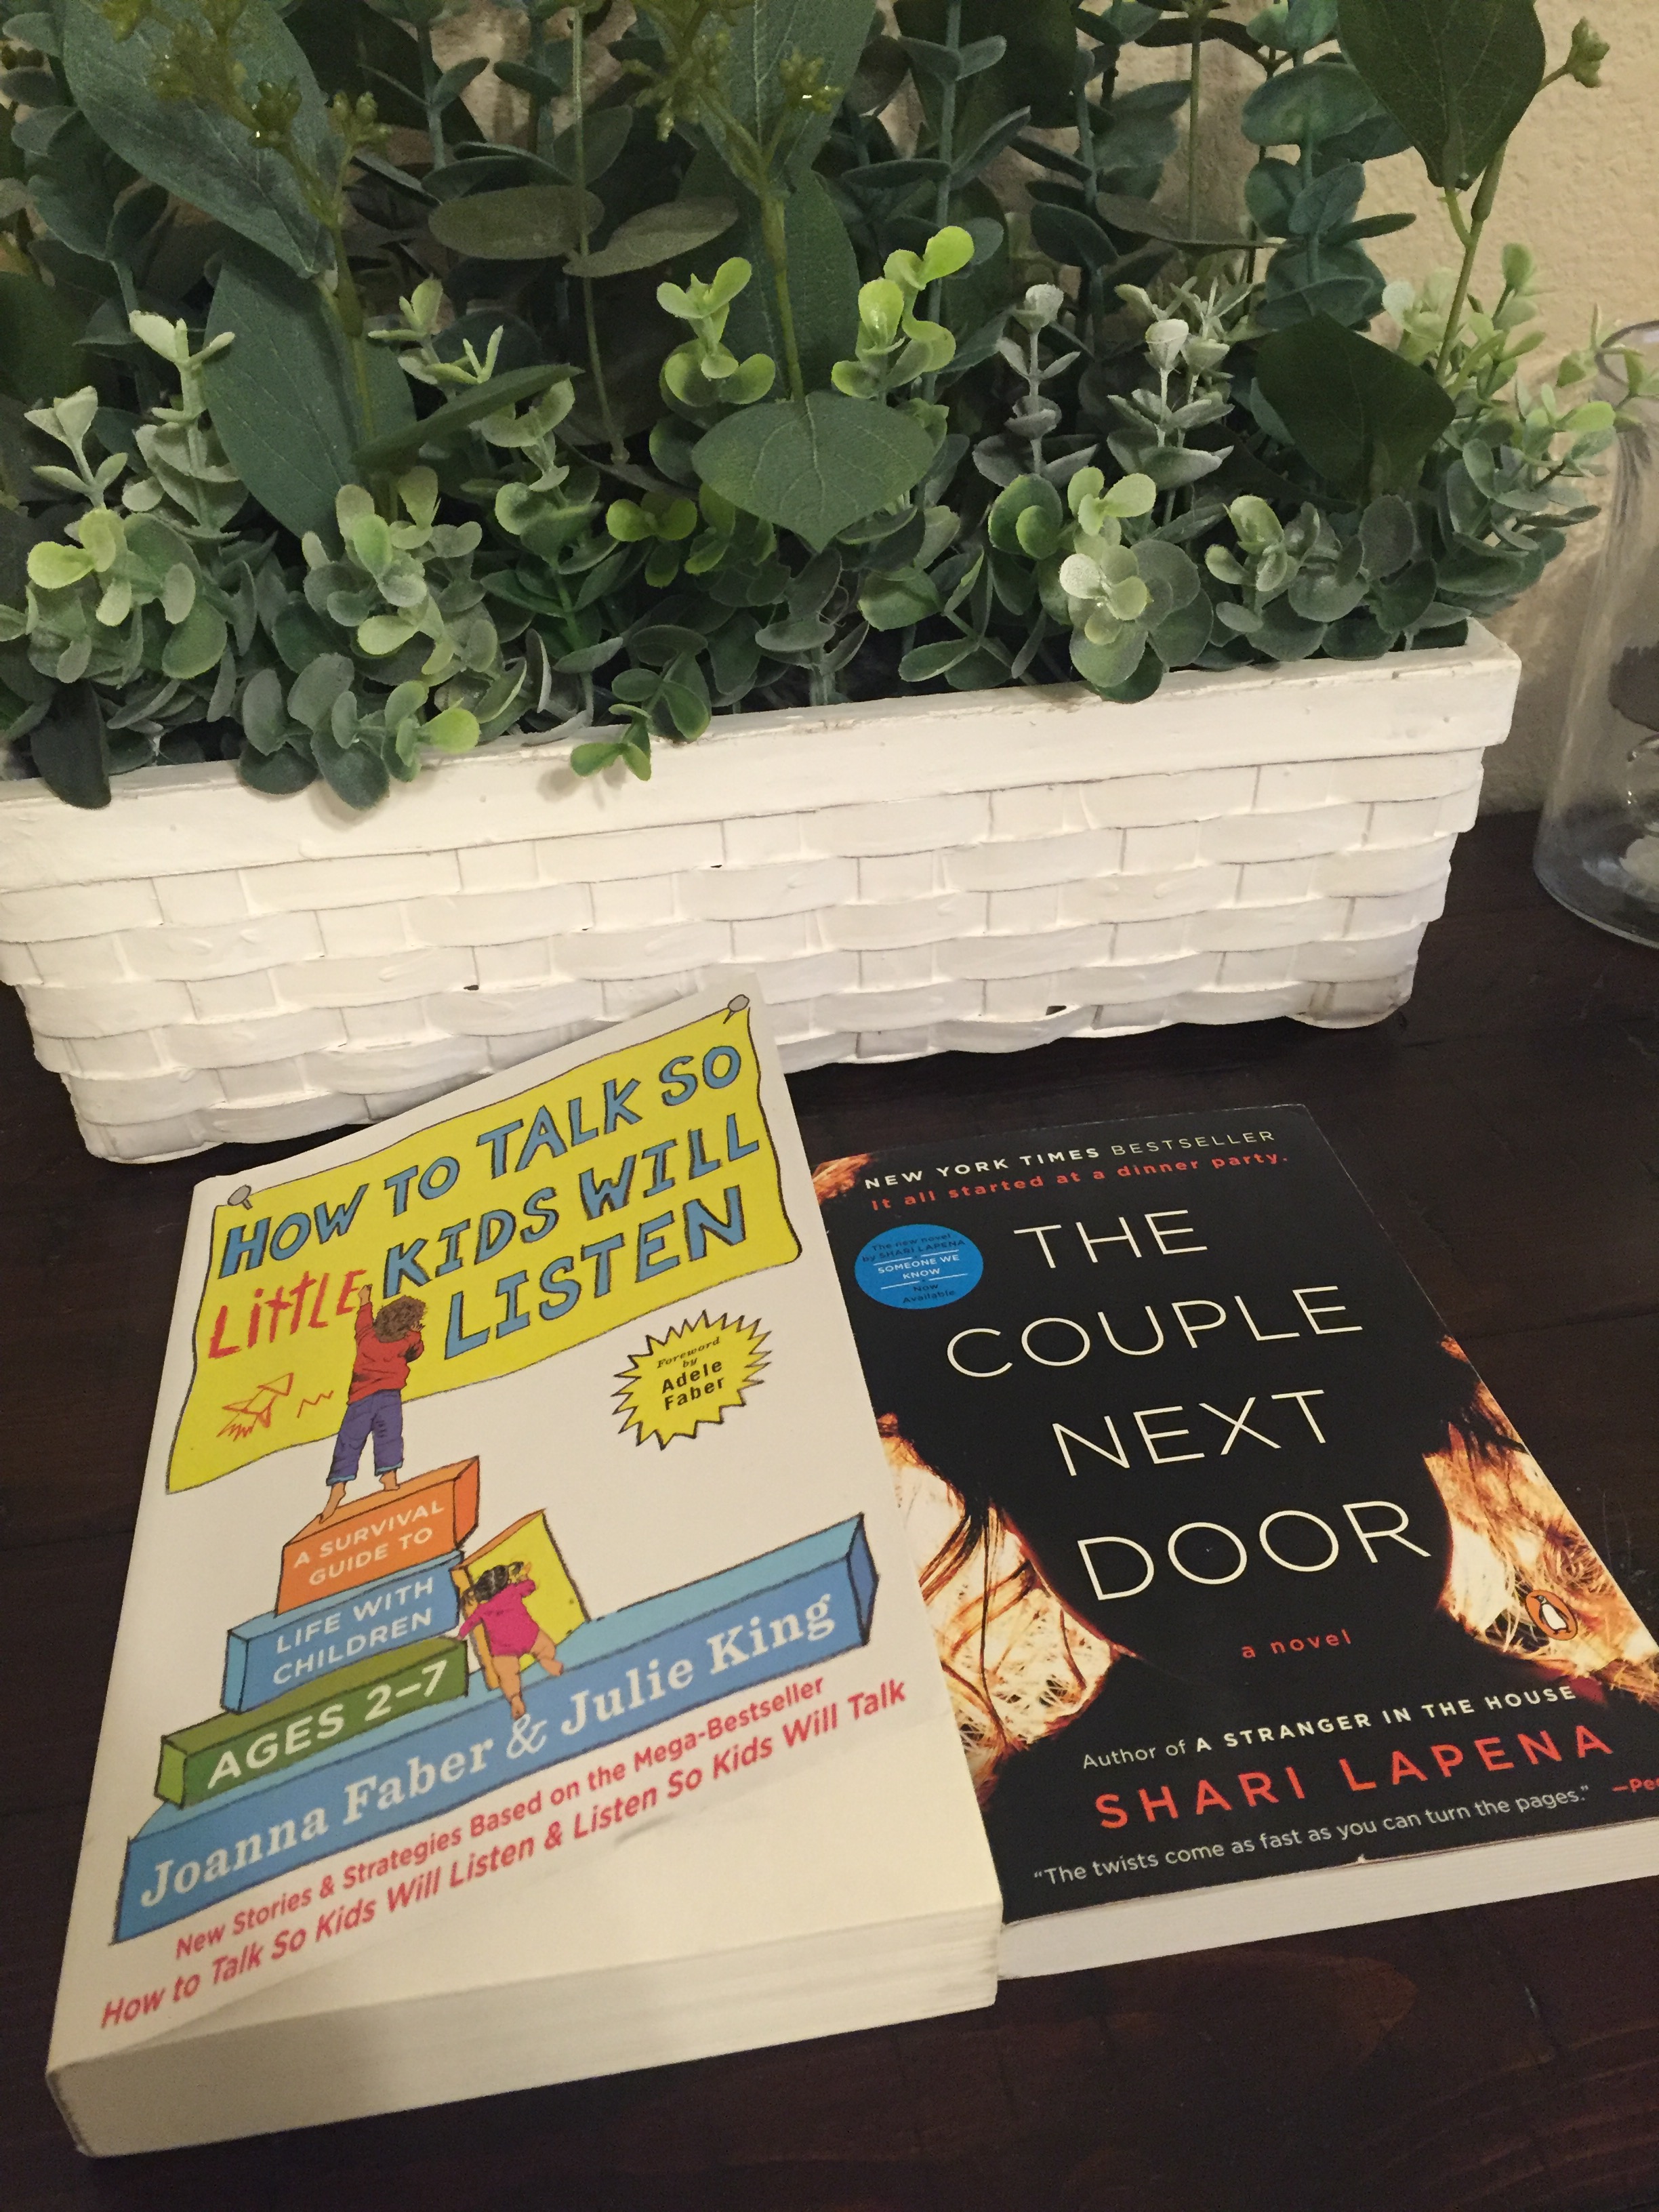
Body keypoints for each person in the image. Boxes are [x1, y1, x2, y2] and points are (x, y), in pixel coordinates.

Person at [320, 1286, 426, 1523]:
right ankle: (389, 1480)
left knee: (349, 1443)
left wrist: (365, 1300)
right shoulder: (407, 1341)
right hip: (388, 1397)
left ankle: (337, 1490)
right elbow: (416, 1352)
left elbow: (363, 1320)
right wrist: (415, 1334)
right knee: (389, 1438)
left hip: (360, 1400)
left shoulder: (366, 1337)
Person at [451, 1562, 563, 1719]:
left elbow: (470, 1623)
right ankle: (547, 1660)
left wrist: (459, 1636)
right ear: (507, 1582)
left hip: (504, 1648)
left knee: (507, 1675)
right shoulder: (513, 1591)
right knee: (544, 1648)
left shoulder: (483, 1609)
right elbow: (531, 1587)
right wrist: (524, 1578)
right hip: (528, 1635)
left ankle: (515, 1699)